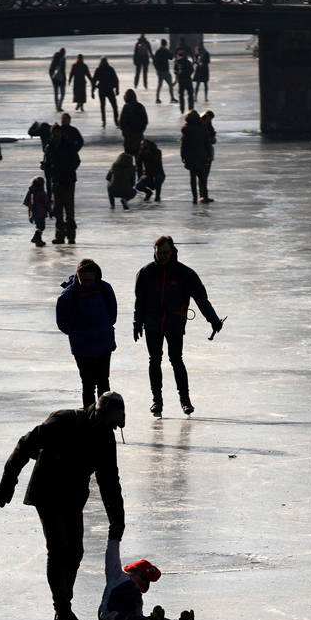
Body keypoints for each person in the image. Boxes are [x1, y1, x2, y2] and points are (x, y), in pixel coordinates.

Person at [0, 391, 126, 620]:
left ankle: (64, 610)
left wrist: (118, 519)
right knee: (59, 549)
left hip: (72, 497)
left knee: (75, 552)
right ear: (98, 414)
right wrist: (8, 480)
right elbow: (26, 443)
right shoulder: (64, 421)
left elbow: (109, 482)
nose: (111, 427)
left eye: (116, 424)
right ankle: (63, 612)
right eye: (110, 421)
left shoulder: (105, 440)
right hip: (47, 491)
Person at [134, 235, 223, 416]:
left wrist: (213, 319)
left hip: (174, 323)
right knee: (154, 360)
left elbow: (201, 299)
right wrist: (137, 322)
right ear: (154, 252)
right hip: (152, 323)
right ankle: (157, 400)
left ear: (172, 251)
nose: (163, 257)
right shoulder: (145, 272)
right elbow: (140, 301)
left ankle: (185, 400)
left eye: (166, 253)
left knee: (176, 360)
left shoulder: (185, 273)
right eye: (160, 253)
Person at [99, 537, 196, 620]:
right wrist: (114, 535)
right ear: (134, 571)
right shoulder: (117, 576)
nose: (145, 584)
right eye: (144, 578)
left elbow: (138, 615)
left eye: (147, 581)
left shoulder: (137, 594)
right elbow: (112, 554)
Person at [56, 259, 117, 406]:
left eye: (90, 280)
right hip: (82, 347)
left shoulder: (104, 289)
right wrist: (75, 332)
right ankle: (89, 420)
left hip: (103, 344)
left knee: (103, 382)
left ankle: (104, 419)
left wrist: (103, 328)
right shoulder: (69, 294)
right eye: (83, 280)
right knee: (88, 385)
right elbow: (62, 322)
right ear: (78, 277)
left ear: (96, 277)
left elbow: (112, 315)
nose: (87, 283)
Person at [43, 123, 80, 244]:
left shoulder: (68, 145)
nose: (56, 135)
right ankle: (60, 236)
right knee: (58, 210)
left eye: (58, 132)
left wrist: (68, 170)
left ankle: (71, 235)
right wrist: (45, 167)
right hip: (56, 181)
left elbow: (76, 161)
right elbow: (47, 163)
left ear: (61, 133)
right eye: (54, 133)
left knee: (69, 209)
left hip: (68, 180)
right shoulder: (49, 147)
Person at [180, 109, 212, 203]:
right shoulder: (202, 127)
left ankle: (194, 197)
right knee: (202, 177)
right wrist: (209, 154)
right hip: (201, 155)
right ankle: (204, 196)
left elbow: (183, 144)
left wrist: (183, 156)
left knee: (192, 177)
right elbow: (207, 142)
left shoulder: (186, 129)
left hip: (190, 157)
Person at [119, 89, 148, 161]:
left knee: (128, 157)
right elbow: (145, 120)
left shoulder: (126, 107)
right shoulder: (140, 106)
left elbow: (122, 121)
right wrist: (141, 130)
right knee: (139, 157)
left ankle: (129, 171)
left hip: (128, 136)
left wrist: (124, 131)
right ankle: (139, 171)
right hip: (138, 134)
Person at [91, 57, 119, 127]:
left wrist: (92, 91)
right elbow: (116, 79)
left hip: (103, 89)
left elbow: (94, 81)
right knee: (113, 106)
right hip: (108, 89)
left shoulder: (100, 69)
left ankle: (105, 121)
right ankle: (114, 121)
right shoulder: (109, 69)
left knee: (104, 106)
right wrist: (117, 89)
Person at [24, 175, 51, 246]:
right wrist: (50, 210)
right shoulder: (42, 192)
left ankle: (38, 240)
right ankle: (36, 238)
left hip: (33, 212)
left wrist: (30, 208)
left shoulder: (31, 191)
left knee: (39, 226)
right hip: (41, 212)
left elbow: (26, 202)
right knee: (41, 226)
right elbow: (46, 203)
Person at [200, 109, 216, 201]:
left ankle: (202, 194)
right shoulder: (203, 126)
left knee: (203, 175)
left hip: (206, 152)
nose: (210, 121)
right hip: (205, 153)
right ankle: (203, 195)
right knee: (203, 175)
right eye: (210, 119)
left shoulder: (206, 125)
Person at [153, 39, 175, 104]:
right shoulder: (166, 51)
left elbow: (154, 61)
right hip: (165, 70)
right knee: (170, 85)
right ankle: (172, 98)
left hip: (159, 71)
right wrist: (171, 51)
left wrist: (157, 69)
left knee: (159, 85)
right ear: (165, 44)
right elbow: (171, 57)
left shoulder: (158, 51)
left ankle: (157, 98)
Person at [49, 47, 67, 111]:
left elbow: (50, 70)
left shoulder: (55, 58)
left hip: (55, 79)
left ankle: (57, 106)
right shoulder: (63, 59)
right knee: (62, 93)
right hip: (61, 79)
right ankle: (59, 106)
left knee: (56, 93)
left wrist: (52, 78)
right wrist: (65, 79)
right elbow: (63, 70)